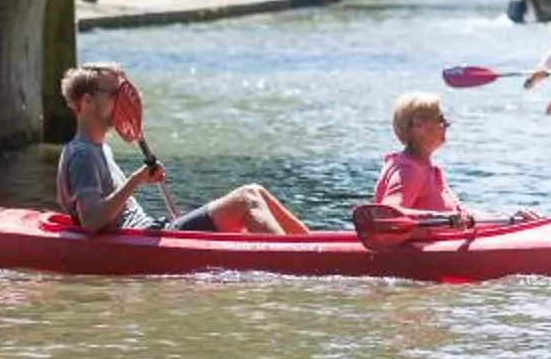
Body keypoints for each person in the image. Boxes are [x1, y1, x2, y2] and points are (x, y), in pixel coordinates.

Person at [56, 64, 310, 236]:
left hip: (155, 230)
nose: (123, 101)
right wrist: (136, 180)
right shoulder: (82, 154)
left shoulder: (100, 148)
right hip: (147, 239)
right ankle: (299, 262)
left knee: (255, 191)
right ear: (87, 101)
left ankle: (310, 245)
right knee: (246, 199)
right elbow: (90, 222)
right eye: (113, 93)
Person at [372, 93, 472, 218]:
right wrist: (441, 217)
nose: (447, 124)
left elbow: (460, 214)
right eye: (440, 120)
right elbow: (388, 214)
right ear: (418, 126)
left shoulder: (428, 169)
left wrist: (498, 218)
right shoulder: (408, 170)